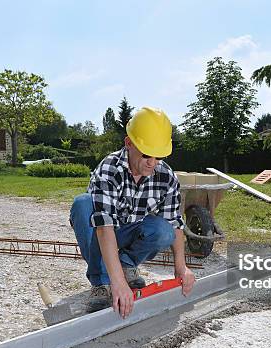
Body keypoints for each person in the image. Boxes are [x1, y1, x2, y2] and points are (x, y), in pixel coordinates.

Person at [70, 107, 196, 318]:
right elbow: (104, 228)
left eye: (158, 156)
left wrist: (181, 267)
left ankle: (127, 265)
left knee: (165, 231)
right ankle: (101, 282)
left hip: (130, 233)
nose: (152, 163)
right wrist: (117, 284)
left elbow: (175, 223)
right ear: (129, 143)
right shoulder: (109, 170)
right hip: (102, 237)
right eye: (147, 155)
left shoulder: (166, 177)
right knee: (82, 204)